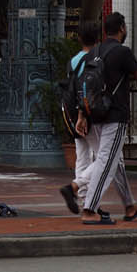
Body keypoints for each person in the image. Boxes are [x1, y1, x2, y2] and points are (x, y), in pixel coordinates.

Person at [78, 12, 137, 225]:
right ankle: (89, 210)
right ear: (121, 28)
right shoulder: (122, 52)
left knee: (114, 160)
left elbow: (83, 85)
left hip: (96, 114)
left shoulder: (93, 53)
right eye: (125, 26)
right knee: (107, 161)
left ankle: (130, 206)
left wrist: (82, 115)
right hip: (115, 115)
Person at [59, 19, 102, 216]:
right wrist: (83, 114)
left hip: (70, 110)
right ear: (98, 38)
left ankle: (85, 199)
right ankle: (78, 189)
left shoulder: (73, 61)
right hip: (87, 112)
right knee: (104, 157)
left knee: (82, 155)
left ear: (78, 38)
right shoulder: (96, 60)